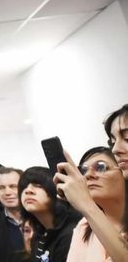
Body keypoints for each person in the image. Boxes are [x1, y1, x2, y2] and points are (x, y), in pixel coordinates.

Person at [54, 104, 128, 262]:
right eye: (112, 141)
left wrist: (86, 205)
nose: (116, 149)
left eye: (127, 137)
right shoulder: (84, 226)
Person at [59, 147, 128, 261]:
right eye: (83, 171)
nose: (88, 175)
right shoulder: (85, 225)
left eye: (101, 167)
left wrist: (86, 205)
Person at [19, 166, 80, 262]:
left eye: (38, 186)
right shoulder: (38, 234)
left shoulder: (71, 233)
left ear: (56, 191)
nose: (28, 190)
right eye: (23, 187)